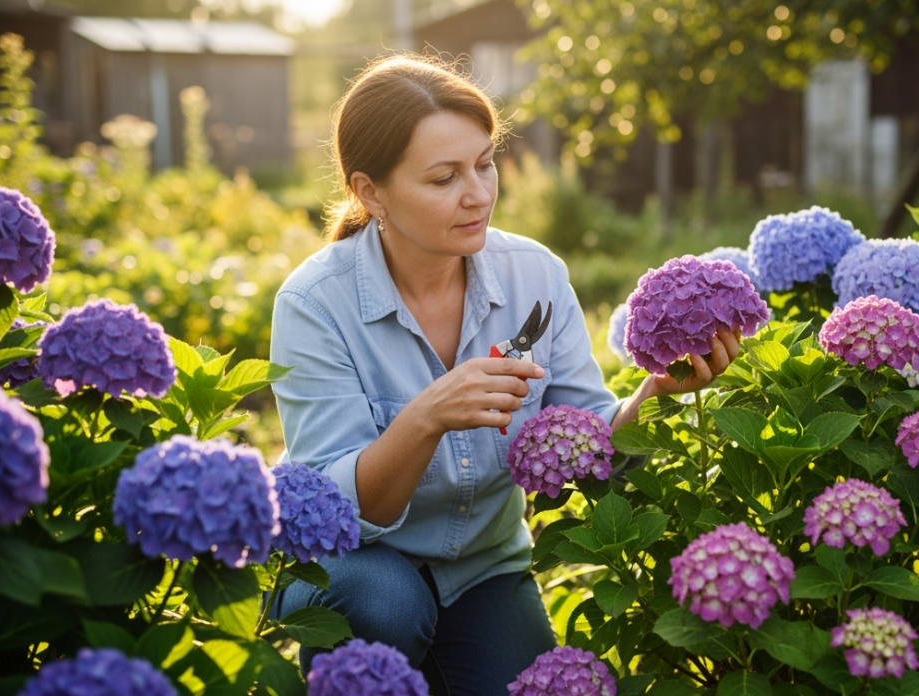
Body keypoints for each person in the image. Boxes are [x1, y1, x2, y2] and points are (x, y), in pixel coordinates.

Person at [268, 55, 741, 695]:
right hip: (357, 563)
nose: (480, 194)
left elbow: (591, 436)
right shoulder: (315, 303)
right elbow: (345, 512)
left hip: (483, 566)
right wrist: (428, 416)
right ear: (370, 191)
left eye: (484, 164)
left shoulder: (535, 276)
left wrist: (655, 395)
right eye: (444, 178)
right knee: (386, 606)